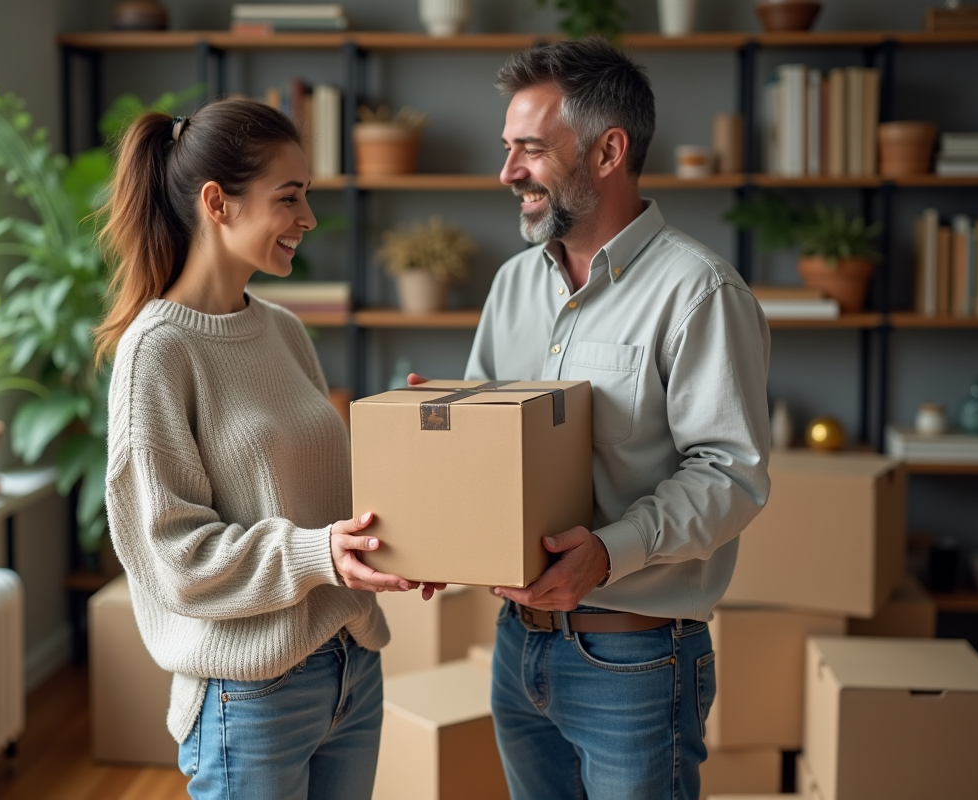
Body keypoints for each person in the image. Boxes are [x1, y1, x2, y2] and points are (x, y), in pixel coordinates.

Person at [415, 38, 772, 799]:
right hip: (517, 654)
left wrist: (605, 555)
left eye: (531, 150)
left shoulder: (700, 292)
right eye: (508, 148)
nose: (508, 172)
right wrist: (440, 474)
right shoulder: (514, 285)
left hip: (635, 665)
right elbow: (491, 446)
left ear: (609, 151)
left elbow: (731, 475)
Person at [96, 98, 418, 800]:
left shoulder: (282, 329)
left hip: (350, 667)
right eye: (290, 196)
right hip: (251, 691)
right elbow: (176, 558)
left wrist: (409, 522)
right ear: (218, 202)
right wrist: (316, 553)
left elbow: (323, 500)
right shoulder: (157, 350)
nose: (306, 218)